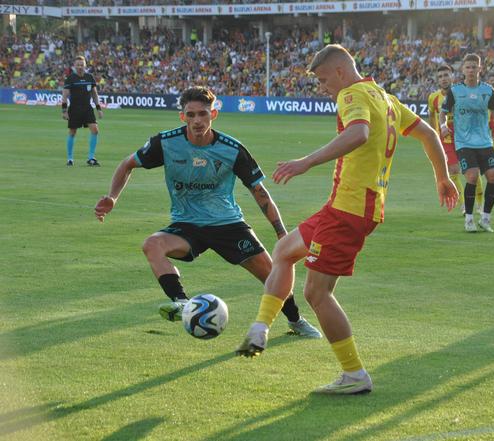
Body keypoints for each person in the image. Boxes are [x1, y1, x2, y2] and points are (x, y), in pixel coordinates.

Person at [236, 44, 458, 395]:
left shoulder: (352, 94)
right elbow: (428, 135)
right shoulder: (383, 96)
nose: (323, 88)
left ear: (340, 71)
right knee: (283, 251)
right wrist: (442, 178)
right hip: (348, 205)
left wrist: (306, 162)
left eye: (324, 80)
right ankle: (259, 330)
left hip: (350, 209)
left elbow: (358, 134)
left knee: (317, 293)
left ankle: (354, 374)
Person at [93, 86, 321, 338]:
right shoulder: (166, 143)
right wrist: (112, 197)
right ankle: (182, 302)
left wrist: (281, 232)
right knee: (152, 245)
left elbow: (259, 191)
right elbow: (128, 164)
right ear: (182, 117)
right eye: (190, 115)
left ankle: (295, 320)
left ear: (213, 114)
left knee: (272, 274)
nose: (197, 121)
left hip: (228, 224)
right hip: (187, 225)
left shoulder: (231, 148)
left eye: (202, 114)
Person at [440, 53, 494, 233]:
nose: (471, 70)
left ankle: (486, 218)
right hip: (464, 142)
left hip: (484, 142)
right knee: (472, 176)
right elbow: (443, 112)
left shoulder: (487, 91)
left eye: (474, 67)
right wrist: (442, 125)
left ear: (480, 69)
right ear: (463, 70)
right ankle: (469, 219)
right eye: (468, 67)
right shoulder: (455, 91)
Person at [428, 64, 483, 215]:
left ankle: (480, 204)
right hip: (446, 139)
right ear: (437, 80)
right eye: (440, 77)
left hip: (464, 136)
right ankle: (464, 205)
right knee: (452, 170)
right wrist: (434, 134)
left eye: (446, 75)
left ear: (452, 76)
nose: (443, 79)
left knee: (472, 171)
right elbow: (432, 116)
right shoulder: (433, 98)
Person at [61, 55, 103, 166]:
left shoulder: (89, 77)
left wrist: (98, 108)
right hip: (74, 109)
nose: (80, 67)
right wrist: (64, 111)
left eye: (82, 65)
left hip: (87, 109)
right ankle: (70, 158)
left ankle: (91, 158)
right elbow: (65, 95)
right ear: (74, 66)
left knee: (95, 130)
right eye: (78, 65)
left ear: (85, 65)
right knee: (72, 132)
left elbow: (94, 94)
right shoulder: (70, 78)